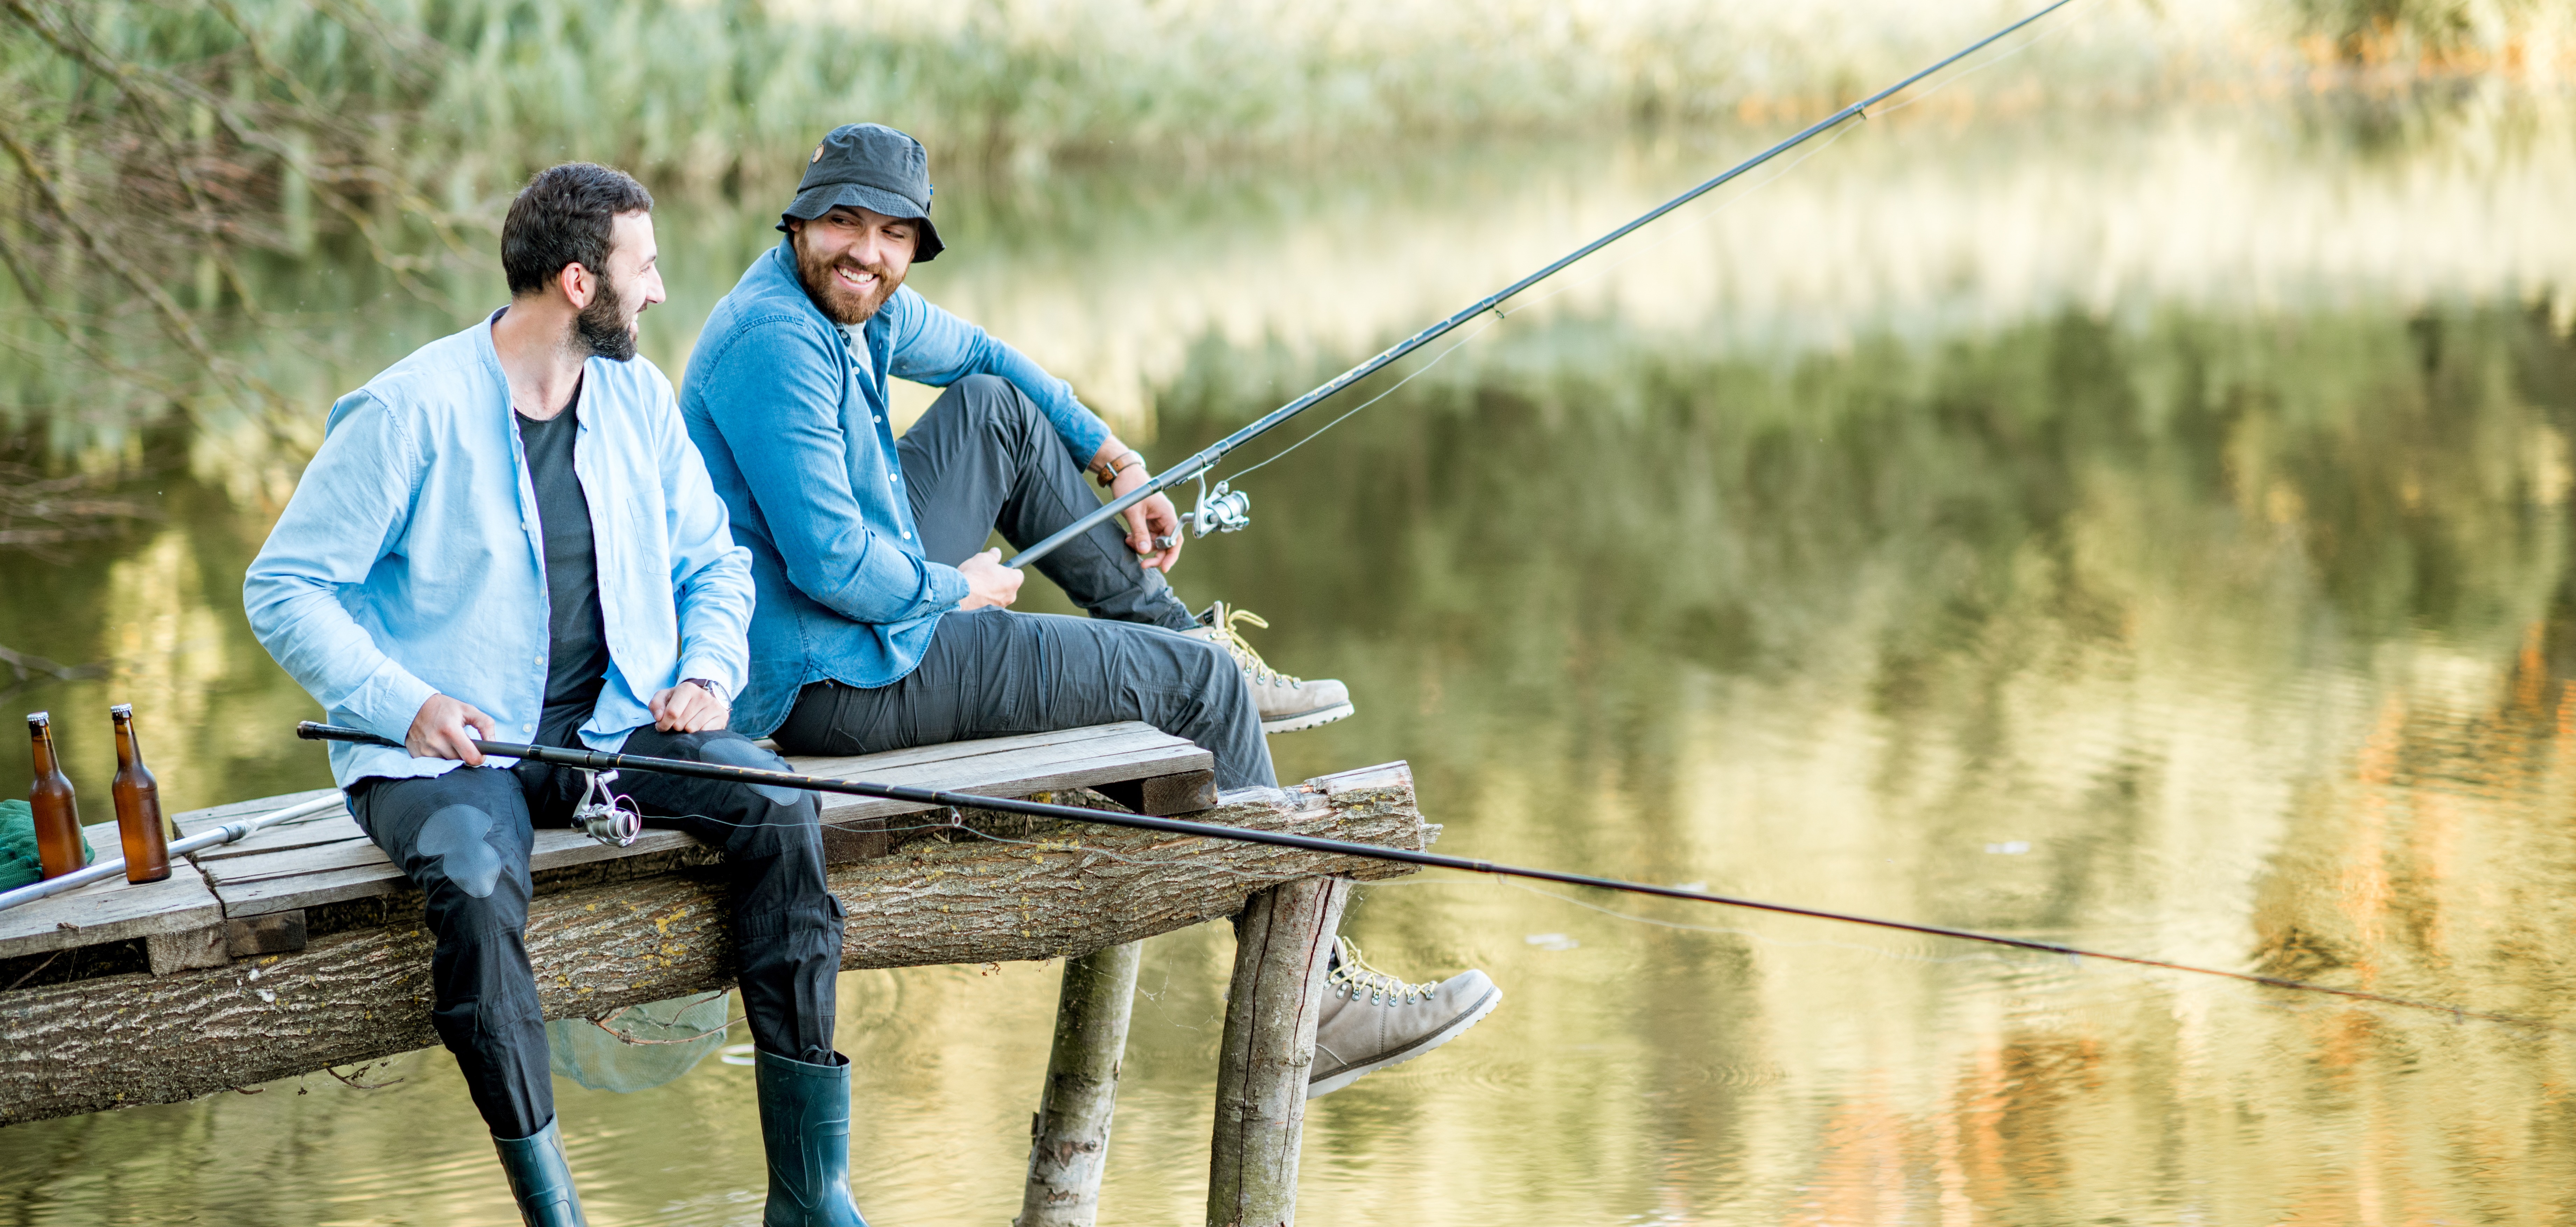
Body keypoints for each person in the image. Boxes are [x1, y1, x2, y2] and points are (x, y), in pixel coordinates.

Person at [679, 123, 1502, 1101]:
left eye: (894, 233)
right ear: (800, 221)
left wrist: (1110, 452)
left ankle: (1191, 646)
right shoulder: (776, 342)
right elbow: (830, 564)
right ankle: (1314, 1008)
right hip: (832, 677)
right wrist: (961, 589)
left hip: (866, 617)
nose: (868, 250)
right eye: (844, 223)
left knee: (999, 410)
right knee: (1195, 691)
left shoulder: (858, 311)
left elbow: (985, 354)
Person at [245, 164, 868, 1227]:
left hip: (616, 733)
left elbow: (715, 564)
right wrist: (406, 700)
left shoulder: (638, 398)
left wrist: (709, 670)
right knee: (479, 891)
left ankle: (811, 1195)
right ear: (581, 283)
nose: (662, 289)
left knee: (780, 806)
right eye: (647, 266)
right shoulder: (407, 411)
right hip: (446, 758)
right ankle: (557, 1216)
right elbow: (285, 587)